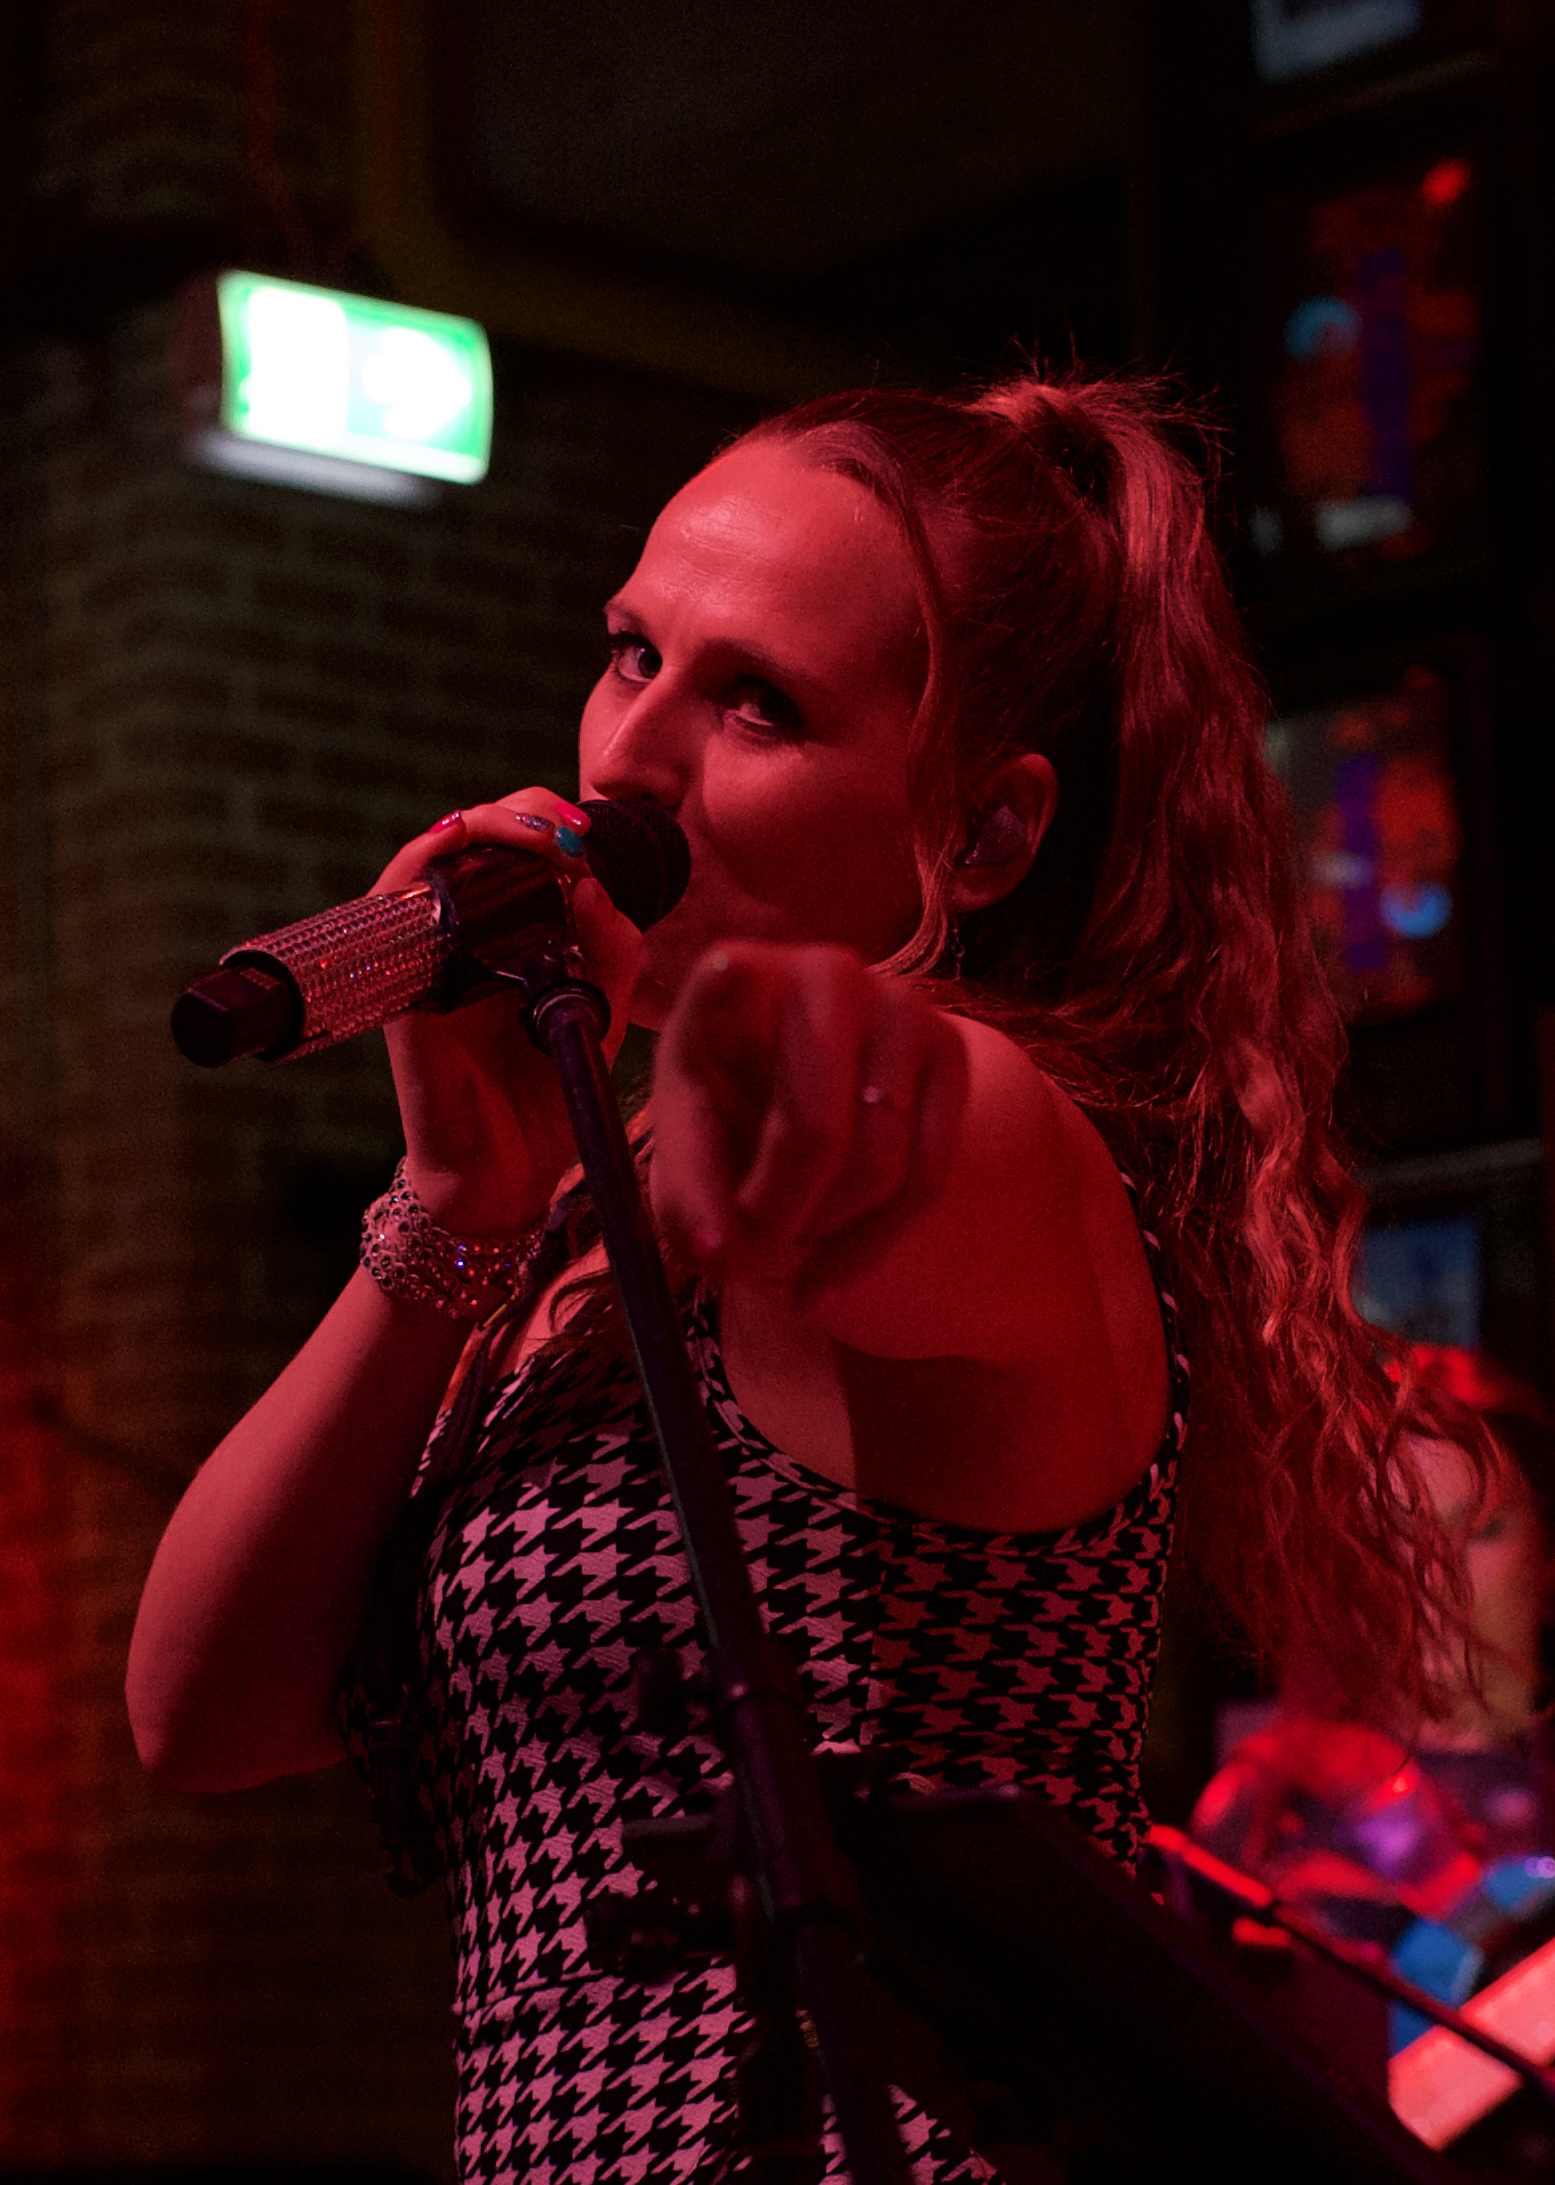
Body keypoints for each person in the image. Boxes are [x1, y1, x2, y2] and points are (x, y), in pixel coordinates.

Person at [126, 370, 1474, 2182]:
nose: (628, 759)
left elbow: (889, 1113)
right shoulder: (571, 1217)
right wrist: (455, 1198)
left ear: (979, 835)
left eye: (757, 703)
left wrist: (782, 1036)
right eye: (630, 654)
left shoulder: (1012, 1139)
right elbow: (202, 1713)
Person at [1190, 1348, 1555, 2054]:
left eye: (1477, 1529)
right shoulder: (1262, 1804)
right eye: (1389, 1536)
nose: (1432, 1576)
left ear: (1545, 1553)